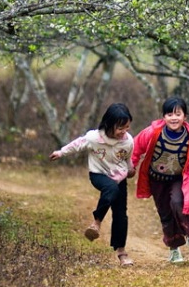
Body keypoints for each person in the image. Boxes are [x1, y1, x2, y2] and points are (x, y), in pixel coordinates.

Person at [49, 103, 136, 267]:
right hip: (98, 174)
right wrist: (61, 152)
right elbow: (77, 144)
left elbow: (127, 158)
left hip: (119, 176)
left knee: (120, 214)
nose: (124, 132)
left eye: (127, 127)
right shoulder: (94, 138)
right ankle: (96, 222)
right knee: (110, 188)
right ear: (109, 124)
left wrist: (131, 169)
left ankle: (121, 252)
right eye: (120, 128)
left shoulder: (128, 141)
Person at [132, 97, 189, 264]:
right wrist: (130, 166)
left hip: (178, 179)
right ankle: (174, 250)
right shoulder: (152, 133)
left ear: (185, 117)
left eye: (178, 114)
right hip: (156, 179)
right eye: (169, 114)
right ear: (163, 117)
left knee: (178, 203)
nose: (174, 118)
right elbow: (135, 148)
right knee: (165, 214)